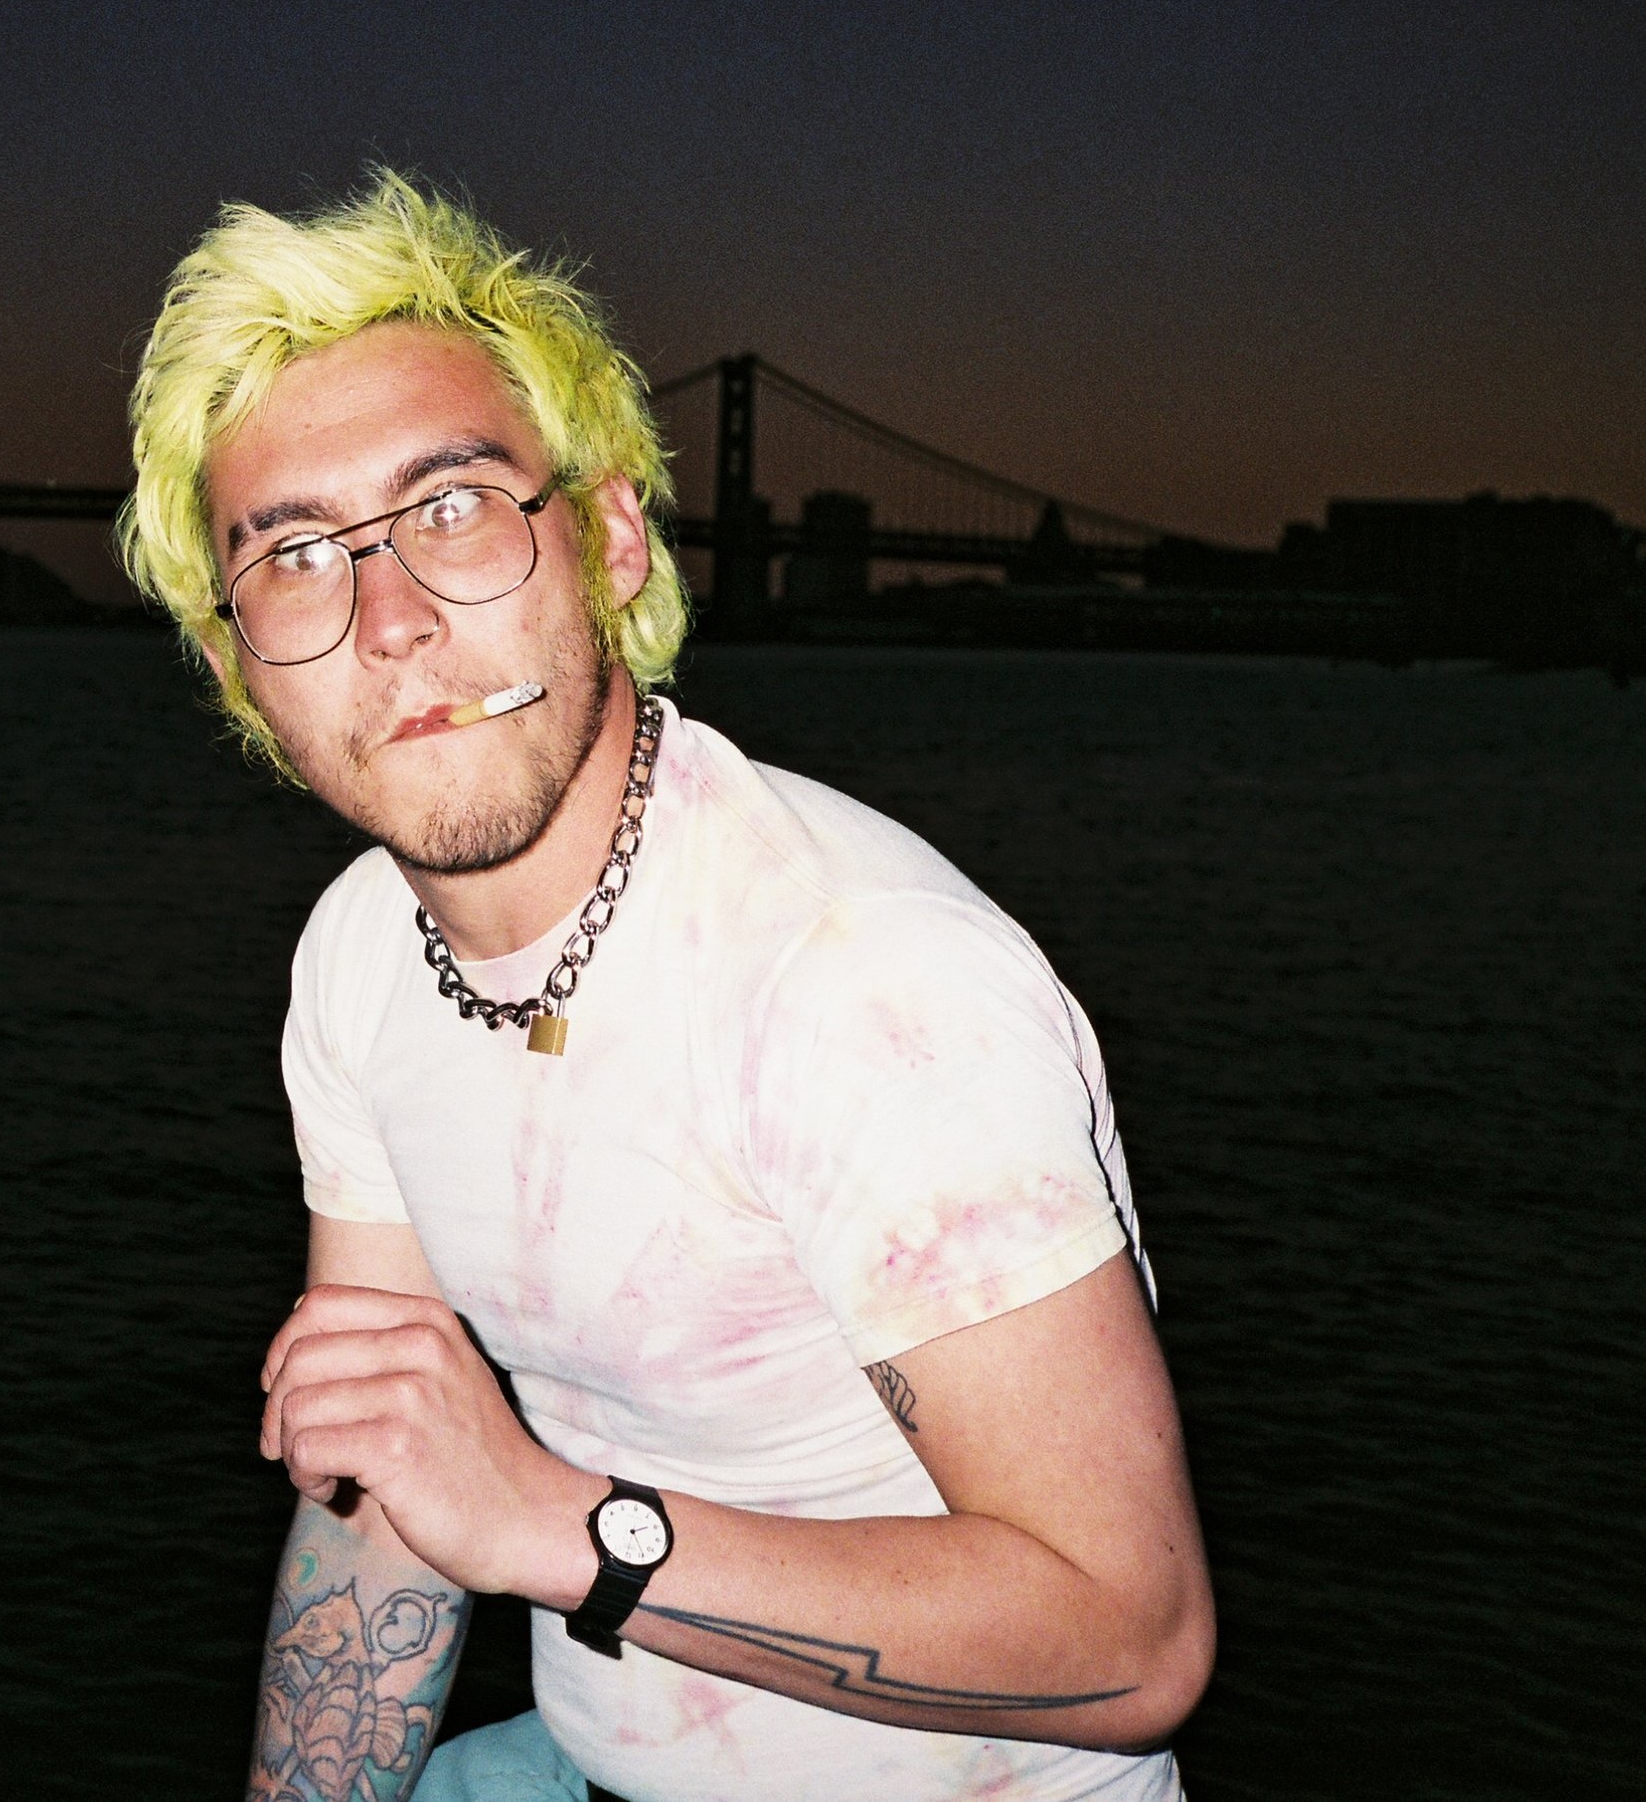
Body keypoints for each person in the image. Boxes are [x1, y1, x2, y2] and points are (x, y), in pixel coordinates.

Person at [117, 173, 1214, 1802]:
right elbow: (392, 1494)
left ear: (614, 537)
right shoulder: (362, 955)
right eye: (294, 556)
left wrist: (558, 1529)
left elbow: (1137, 1644)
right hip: (576, 1766)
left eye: (455, 509)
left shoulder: (860, 985)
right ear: (238, 668)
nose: (395, 622)